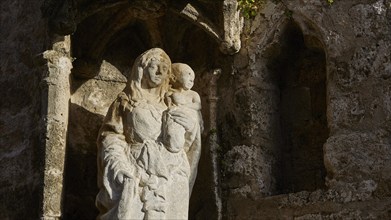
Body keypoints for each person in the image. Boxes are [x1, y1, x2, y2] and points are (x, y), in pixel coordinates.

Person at [96, 48, 202, 220]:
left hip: (173, 171)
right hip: (137, 167)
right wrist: (119, 166)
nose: (160, 72)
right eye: (154, 67)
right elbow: (111, 136)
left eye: (165, 69)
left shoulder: (172, 102)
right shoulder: (125, 101)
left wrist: (191, 127)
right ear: (142, 69)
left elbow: (187, 143)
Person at [163, 63, 203, 153]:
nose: (191, 79)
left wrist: (184, 107)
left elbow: (198, 105)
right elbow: (167, 107)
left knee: (193, 148)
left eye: (193, 78)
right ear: (173, 78)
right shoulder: (168, 93)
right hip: (175, 121)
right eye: (188, 74)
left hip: (191, 123)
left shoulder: (193, 94)